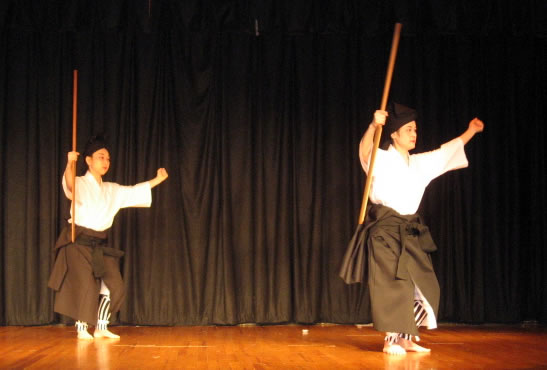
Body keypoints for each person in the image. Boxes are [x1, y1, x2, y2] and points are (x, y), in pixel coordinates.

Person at [357, 103, 484, 355]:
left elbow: (445, 154)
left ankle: (406, 337)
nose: (414, 133)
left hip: (410, 230)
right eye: (408, 129)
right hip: (386, 231)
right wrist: (373, 126)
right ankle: (390, 340)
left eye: (415, 129)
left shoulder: (418, 164)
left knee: (421, 285)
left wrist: (471, 131)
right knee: (395, 285)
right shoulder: (381, 159)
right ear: (394, 134)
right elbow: (364, 153)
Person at [48, 134, 168, 340]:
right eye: (101, 157)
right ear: (88, 160)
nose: (105, 162)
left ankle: (102, 326)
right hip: (78, 242)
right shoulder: (79, 182)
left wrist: (157, 180)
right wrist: (69, 163)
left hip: (98, 243)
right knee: (86, 285)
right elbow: (69, 184)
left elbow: (133, 192)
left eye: (108, 159)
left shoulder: (111, 189)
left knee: (114, 285)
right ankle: (82, 327)